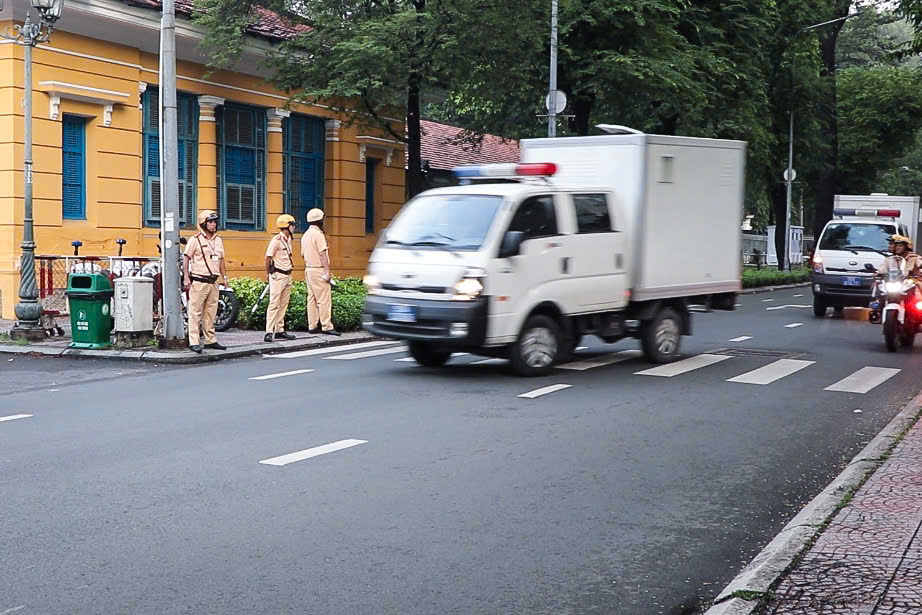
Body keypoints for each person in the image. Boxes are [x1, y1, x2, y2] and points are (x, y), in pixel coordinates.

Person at [183, 210, 227, 354]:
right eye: (210, 222)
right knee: (195, 312)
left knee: (211, 312)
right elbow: (186, 258)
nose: (213, 224)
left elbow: (221, 260)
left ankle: (210, 340)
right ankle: (194, 341)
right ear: (203, 223)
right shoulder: (195, 239)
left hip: (213, 281)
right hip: (199, 280)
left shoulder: (218, 239)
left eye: (214, 222)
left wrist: (224, 278)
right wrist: (186, 277)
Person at [300, 208, 340, 336]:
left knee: (311, 298)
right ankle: (326, 326)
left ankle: (312, 325)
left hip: (309, 269)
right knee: (323, 299)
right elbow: (322, 254)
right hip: (318, 269)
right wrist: (327, 272)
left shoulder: (305, 235)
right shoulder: (318, 235)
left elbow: (302, 254)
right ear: (320, 220)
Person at [264, 214, 297, 343]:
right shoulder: (276, 240)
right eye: (291, 225)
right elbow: (268, 258)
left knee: (283, 304)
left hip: (288, 274)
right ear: (285, 226)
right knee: (274, 303)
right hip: (278, 275)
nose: (294, 227)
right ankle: (269, 331)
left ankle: (279, 330)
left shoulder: (289, 239)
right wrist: (269, 273)